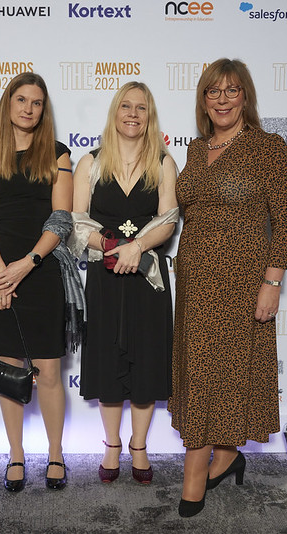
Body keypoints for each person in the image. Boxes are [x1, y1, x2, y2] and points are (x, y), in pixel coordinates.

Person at [168, 58, 287, 517]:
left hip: (242, 282)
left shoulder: (268, 147)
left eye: (231, 90)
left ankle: (196, 471)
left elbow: (285, 222)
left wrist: (272, 282)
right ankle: (224, 456)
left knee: (225, 371)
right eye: (213, 91)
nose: (221, 99)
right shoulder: (195, 150)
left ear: (246, 97)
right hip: (194, 281)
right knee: (201, 370)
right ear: (203, 100)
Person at [0, 72, 79, 492]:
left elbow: (60, 219)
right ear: (8, 103)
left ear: (43, 108)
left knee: (49, 369)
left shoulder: (57, 153)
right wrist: (1, 273)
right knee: (9, 366)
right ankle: (15, 454)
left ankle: (56, 453)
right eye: (21, 100)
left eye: (36, 102)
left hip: (41, 267)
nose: (29, 109)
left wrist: (26, 264)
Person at [69, 82, 178, 485]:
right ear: (115, 112)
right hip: (105, 275)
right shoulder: (90, 163)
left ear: (150, 117)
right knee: (108, 363)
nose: (133, 114)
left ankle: (140, 446)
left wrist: (137, 248)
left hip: (148, 278)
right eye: (126, 106)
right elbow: (77, 222)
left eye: (141, 108)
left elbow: (168, 221)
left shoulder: (163, 163)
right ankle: (112, 446)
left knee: (146, 364)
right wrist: (112, 246)